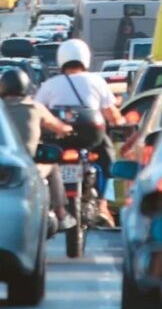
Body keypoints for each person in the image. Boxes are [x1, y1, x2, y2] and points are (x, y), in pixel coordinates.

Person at [35, 39, 125, 227]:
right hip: (91, 137)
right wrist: (123, 123)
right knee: (109, 162)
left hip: (59, 139)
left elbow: (38, 112)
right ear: (85, 58)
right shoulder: (96, 81)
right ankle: (103, 205)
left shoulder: (50, 84)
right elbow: (113, 117)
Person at [0, 68, 77, 230]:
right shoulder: (34, 107)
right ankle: (61, 211)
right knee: (53, 166)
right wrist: (68, 129)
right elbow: (58, 127)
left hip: (0, 167)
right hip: (31, 168)